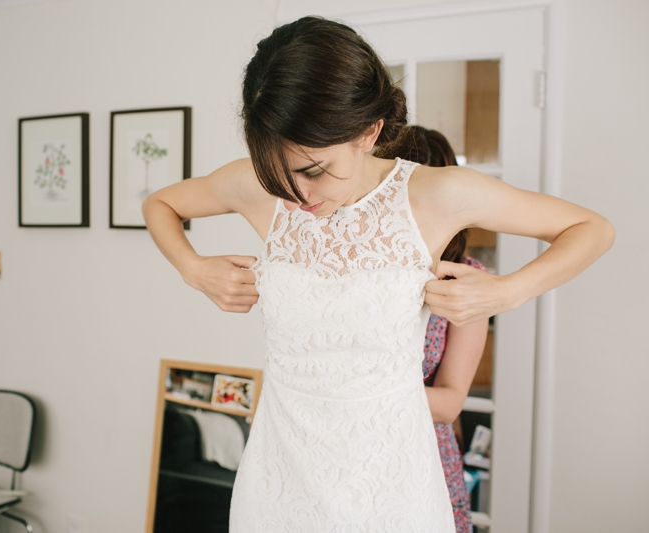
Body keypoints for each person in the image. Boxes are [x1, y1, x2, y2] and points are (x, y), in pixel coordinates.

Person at [142, 16, 614, 532]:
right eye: (279, 173)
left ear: (368, 133)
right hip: (281, 477)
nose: (297, 195)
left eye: (313, 170)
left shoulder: (437, 195)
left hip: (390, 482)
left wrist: (507, 292)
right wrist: (194, 268)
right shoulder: (256, 189)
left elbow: (591, 228)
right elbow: (160, 203)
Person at [391, 125, 489, 533]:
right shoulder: (360, 260)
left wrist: (355, 390)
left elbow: (449, 402)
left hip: (421, 451)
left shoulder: (466, 278)